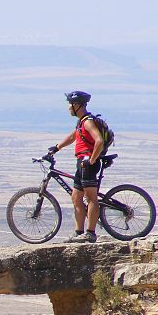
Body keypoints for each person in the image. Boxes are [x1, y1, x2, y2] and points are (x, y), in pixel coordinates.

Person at [48, 91, 104, 243]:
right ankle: (79, 233)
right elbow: (73, 137)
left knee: (91, 198)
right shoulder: (81, 122)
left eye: (70, 105)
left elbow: (99, 141)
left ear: (77, 105)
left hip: (87, 164)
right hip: (81, 163)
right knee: (76, 197)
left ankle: (90, 233)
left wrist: (91, 160)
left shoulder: (88, 122)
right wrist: (56, 148)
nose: (68, 108)